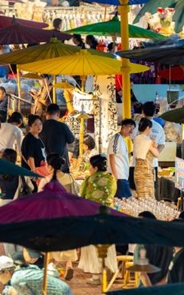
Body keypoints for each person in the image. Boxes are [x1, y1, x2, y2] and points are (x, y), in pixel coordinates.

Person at [79, 154, 117, 284]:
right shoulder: (111, 178)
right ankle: (109, 269)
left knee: (93, 246)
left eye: (90, 166)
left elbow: (82, 197)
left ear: (95, 167)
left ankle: (96, 276)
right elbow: (112, 194)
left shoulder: (89, 180)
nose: (89, 168)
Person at [40, 103, 75, 173]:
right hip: (61, 165)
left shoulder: (40, 127)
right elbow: (71, 140)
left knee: (46, 183)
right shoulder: (62, 126)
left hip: (44, 165)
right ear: (58, 114)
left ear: (46, 114)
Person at [108, 119, 135, 198]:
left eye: (133, 129)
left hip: (123, 176)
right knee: (125, 201)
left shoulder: (123, 140)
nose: (131, 131)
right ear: (123, 126)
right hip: (119, 176)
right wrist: (115, 175)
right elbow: (111, 156)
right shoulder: (116, 138)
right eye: (130, 127)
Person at [133, 118, 160, 199]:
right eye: (150, 128)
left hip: (137, 169)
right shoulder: (148, 141)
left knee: (140, 195)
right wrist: (154, 144)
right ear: (148, 128)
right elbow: (157, 154)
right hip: (146, 171)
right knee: (147, 195)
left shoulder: (136, 139)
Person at [21, 115, 47, 190]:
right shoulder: (29, 139)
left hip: (40, 171)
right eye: (35, 124)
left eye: (40, 124)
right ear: (30, 126)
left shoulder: (37, 137)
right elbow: (30, 157)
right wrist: (34, 173)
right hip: (33, 174)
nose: (38, 126)